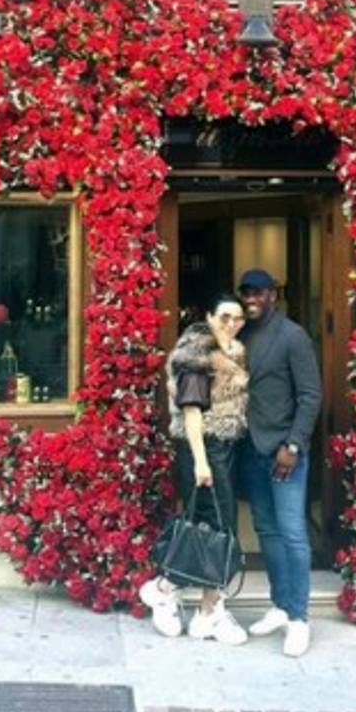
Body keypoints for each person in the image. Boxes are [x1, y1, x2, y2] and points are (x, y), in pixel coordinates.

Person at [139, 293, 250, 645]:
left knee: (211, 529)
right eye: (225, 317)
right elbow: (191, 412)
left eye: (238, 318)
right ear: (209, 316)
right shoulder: (197, 353)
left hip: (221, 449)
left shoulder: (232, 350)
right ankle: (164, 588)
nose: (232, 323)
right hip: (203, 450)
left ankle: (207, 612)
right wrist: (202, 462)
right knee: (218, 528)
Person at [237, 268, 322, 657]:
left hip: (284, 451)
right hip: (252, 448)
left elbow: (310, 395)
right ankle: (280, 605)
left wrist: (294, 444)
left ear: (273, 294)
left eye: (258, 292)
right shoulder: (240, 334)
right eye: (246, 293)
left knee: (292, 533)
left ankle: (300, 618)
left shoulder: (293, 336)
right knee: (267, 530)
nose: (251, 299)